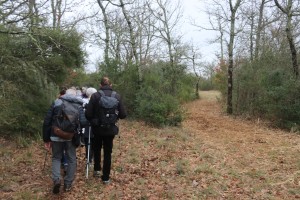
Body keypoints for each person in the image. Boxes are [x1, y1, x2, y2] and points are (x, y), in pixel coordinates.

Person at [43, 88, 86, 194]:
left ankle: (57, 179)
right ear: (75, 95)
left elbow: (47, 121)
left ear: (65, 94)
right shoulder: (79, 105)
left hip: (55, 134)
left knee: (56, 157)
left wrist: (46, 138)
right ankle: (67, 184)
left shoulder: (56, 102)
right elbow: (84, 122)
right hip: (71, 136)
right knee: (72, 159)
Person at [85, 77, 127, 184]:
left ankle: (97, 169)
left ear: (100, 85)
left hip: (97, 128)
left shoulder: (95, 96)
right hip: (110, 129)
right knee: (108, 152)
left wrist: (94, 120)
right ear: (111, 85)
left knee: (97, 148)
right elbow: (123, 115)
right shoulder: (117, 96)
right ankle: (106, 177)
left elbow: (88, 114)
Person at [82, 87, 97, 165]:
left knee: (88, 143)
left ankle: (89, 159)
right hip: (95, 125)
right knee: (94, 142)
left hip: (86, 125)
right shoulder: (98, 101)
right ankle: (92, 158)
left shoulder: (83, 101)